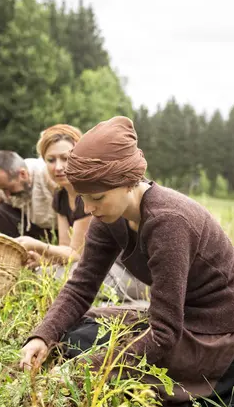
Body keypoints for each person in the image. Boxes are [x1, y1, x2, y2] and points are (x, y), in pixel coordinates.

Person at [20, 116, 234, 407]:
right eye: (83, 198)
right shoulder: (109, 216)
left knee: (115, 371)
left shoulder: (168, 222)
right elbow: (81, 286)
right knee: (77, 332)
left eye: (97, 198)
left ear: (128, 182)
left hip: (220, 338)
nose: (89, 208)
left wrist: (86, 373)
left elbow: (164, 334)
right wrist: (42, 336)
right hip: (177, 321)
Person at [16, 124, 147, 306]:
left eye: (65, 158)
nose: (58, 167)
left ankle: (133, 300)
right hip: (94, 266)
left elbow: (76, 255)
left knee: (64, 277)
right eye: (51, 160)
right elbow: (65, 248)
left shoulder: (89, 196)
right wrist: (44, 260)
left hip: (124, 270)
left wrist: (36, 245)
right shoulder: (60, 197)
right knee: (43, 272)